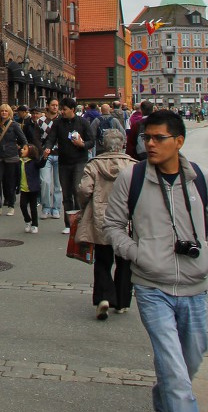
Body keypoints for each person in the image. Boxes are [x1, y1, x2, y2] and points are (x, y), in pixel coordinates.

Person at [104, 110, 208, 412]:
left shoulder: (202, 180)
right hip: (152, 287)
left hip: (194, 287)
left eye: (159, 138)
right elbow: (112, 225)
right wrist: (139, 254)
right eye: (147, 138)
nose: (150, 144)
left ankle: (164, 403)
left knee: (189, 362)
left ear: (179, 141)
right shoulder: (134, 177)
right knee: (174, 368)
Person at [75, 129, 136, 320]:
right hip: (126, 220)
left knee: (102, 259)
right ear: (123, 144)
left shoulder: (94, 165)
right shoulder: (133, 166)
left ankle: (104, 297)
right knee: (125, 261)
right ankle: (122, 302)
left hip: (100, 216)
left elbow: (85, 189)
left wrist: (84, 206)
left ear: (103, 144)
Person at [43, 97, 94, 234]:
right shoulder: (58, 123)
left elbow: (91, 141)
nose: (62, 111)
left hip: (79, 161)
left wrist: (82, 145)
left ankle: (80, 222)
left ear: (72, 109)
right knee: (66, 194)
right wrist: (47, 148)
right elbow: (51, 138)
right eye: (61, 109)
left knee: (78, 192)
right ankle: (68, 223)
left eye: (64, 109)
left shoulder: (82, 123)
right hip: (64, 162)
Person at [0, 103, 27, 216]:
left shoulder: (14, 125)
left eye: (6, 111)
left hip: (11, 157)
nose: (4, 113)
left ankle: (11, 205)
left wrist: (22, 149)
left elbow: (23, 139)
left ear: (9, 112)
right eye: (2, 111)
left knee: (10, 182)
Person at [38, 98, 63, 220]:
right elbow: (37, 137)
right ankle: (46, 207)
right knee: (45, 181)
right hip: (46, 154)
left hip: (60, 154)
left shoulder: (62, 121)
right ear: (48, 106)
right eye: (53, 105)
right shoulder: (41, 121)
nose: (55, 107)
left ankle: (56, 208)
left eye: (57, 105)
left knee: (58, 184)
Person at [18, 143, 46, 233]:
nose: (22, 150)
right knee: (22, 205)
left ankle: (34, 224)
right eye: (22, 148)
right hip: (23, 189)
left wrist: (45, 157)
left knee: (33, 207)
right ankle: (27, 220)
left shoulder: (34, 162)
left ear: (30, 152)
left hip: (33, 189)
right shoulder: (20, 162)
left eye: (24, 149)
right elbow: (16, 175)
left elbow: (41, 164)